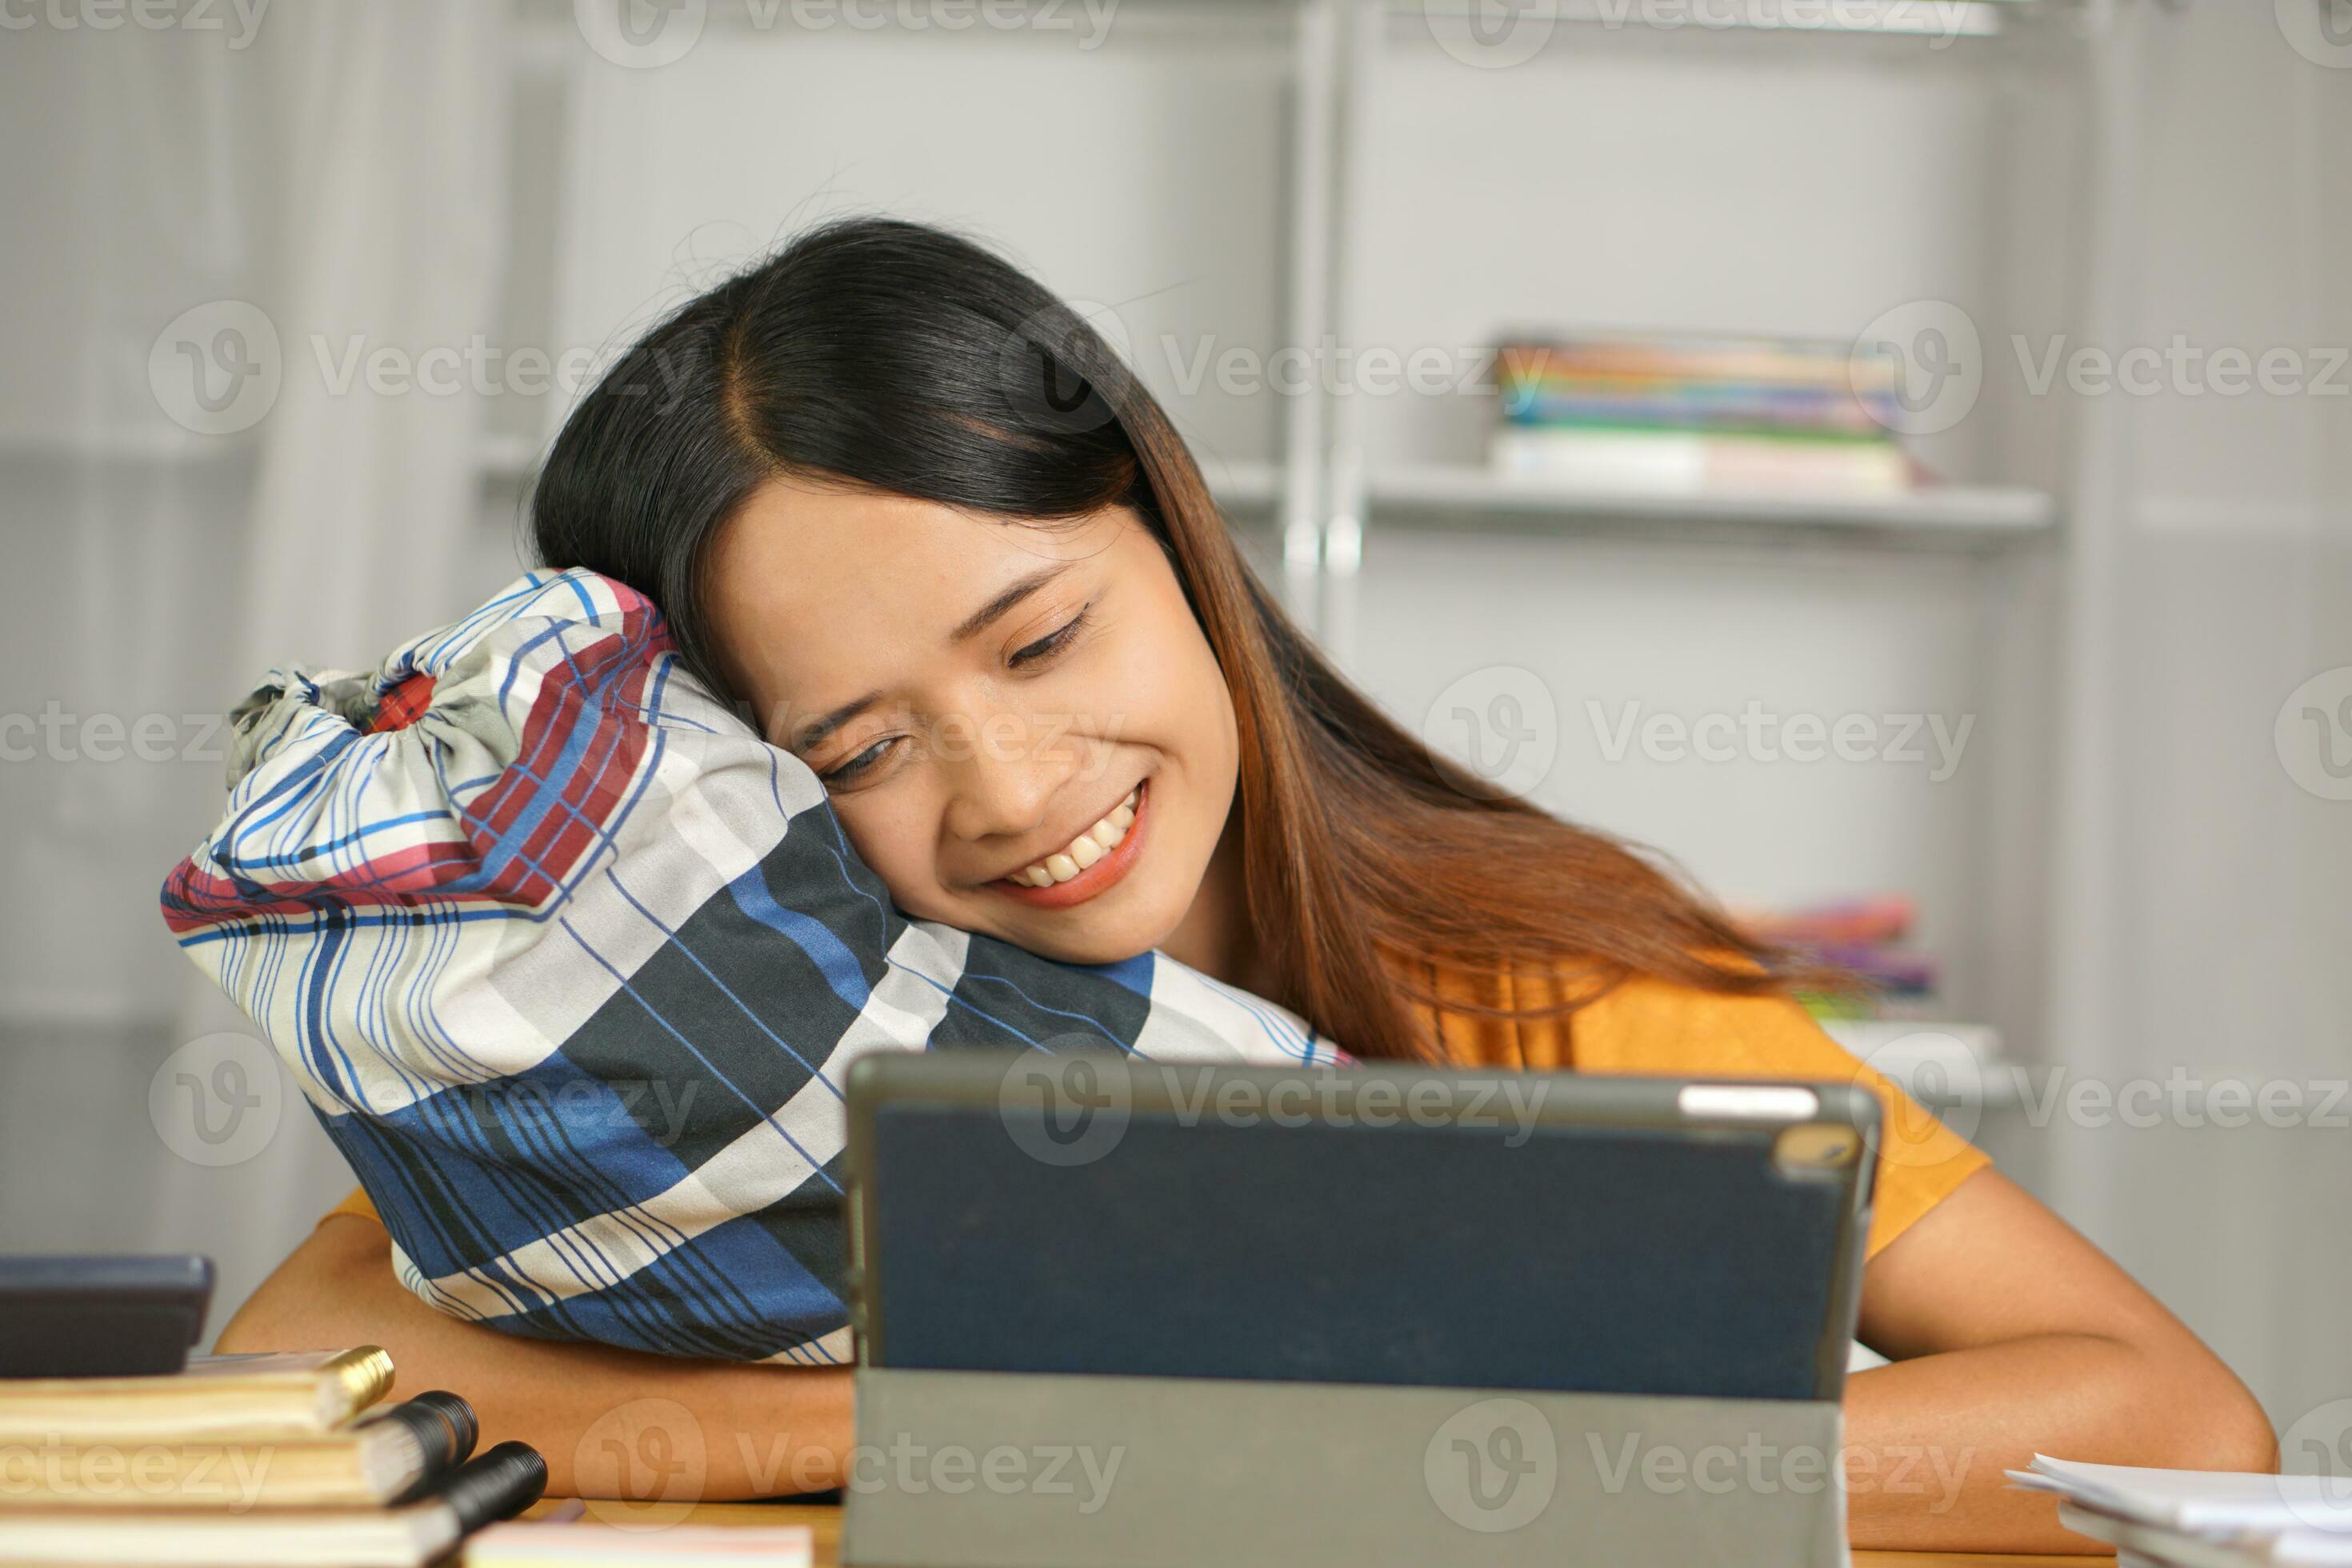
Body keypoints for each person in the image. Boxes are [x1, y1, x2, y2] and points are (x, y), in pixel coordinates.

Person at [214, 216, 2273, 1551]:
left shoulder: (1507, 962)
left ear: (1183, 549)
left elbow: (2171, 1412)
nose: (1014, 790)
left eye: (1039, 642)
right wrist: (989, 1443)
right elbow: (292, 1349)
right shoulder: (747, 1006)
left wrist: (1433, 1471)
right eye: (853, 747)